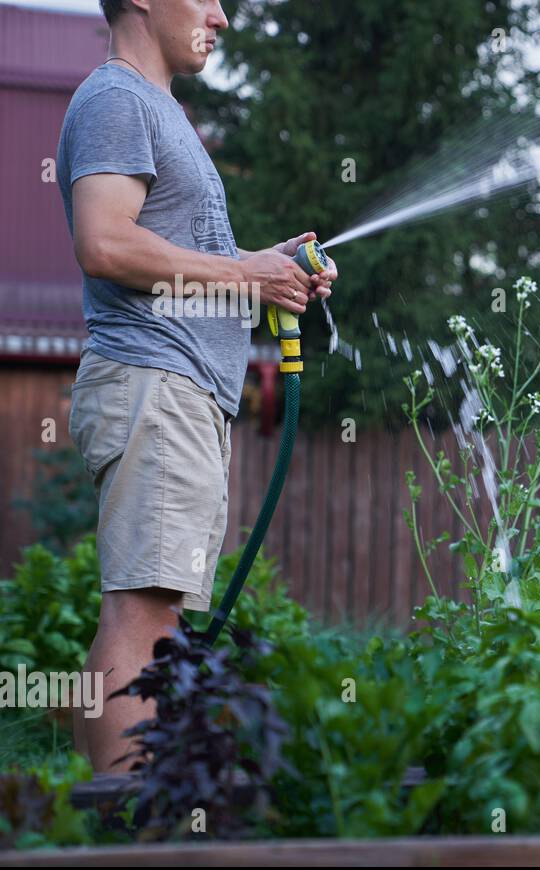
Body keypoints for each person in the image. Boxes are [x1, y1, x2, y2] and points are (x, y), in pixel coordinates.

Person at [57, 0, 338, 771]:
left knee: (143, 610)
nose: (220, 15)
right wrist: (246, 272)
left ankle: (95, 817)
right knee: (145, 615)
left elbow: (174, 255)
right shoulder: (118, 98)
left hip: (171, 387)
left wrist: (267, 266)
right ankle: (130, 828)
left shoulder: (155, 108)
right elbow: (106, 241)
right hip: (155, 380)